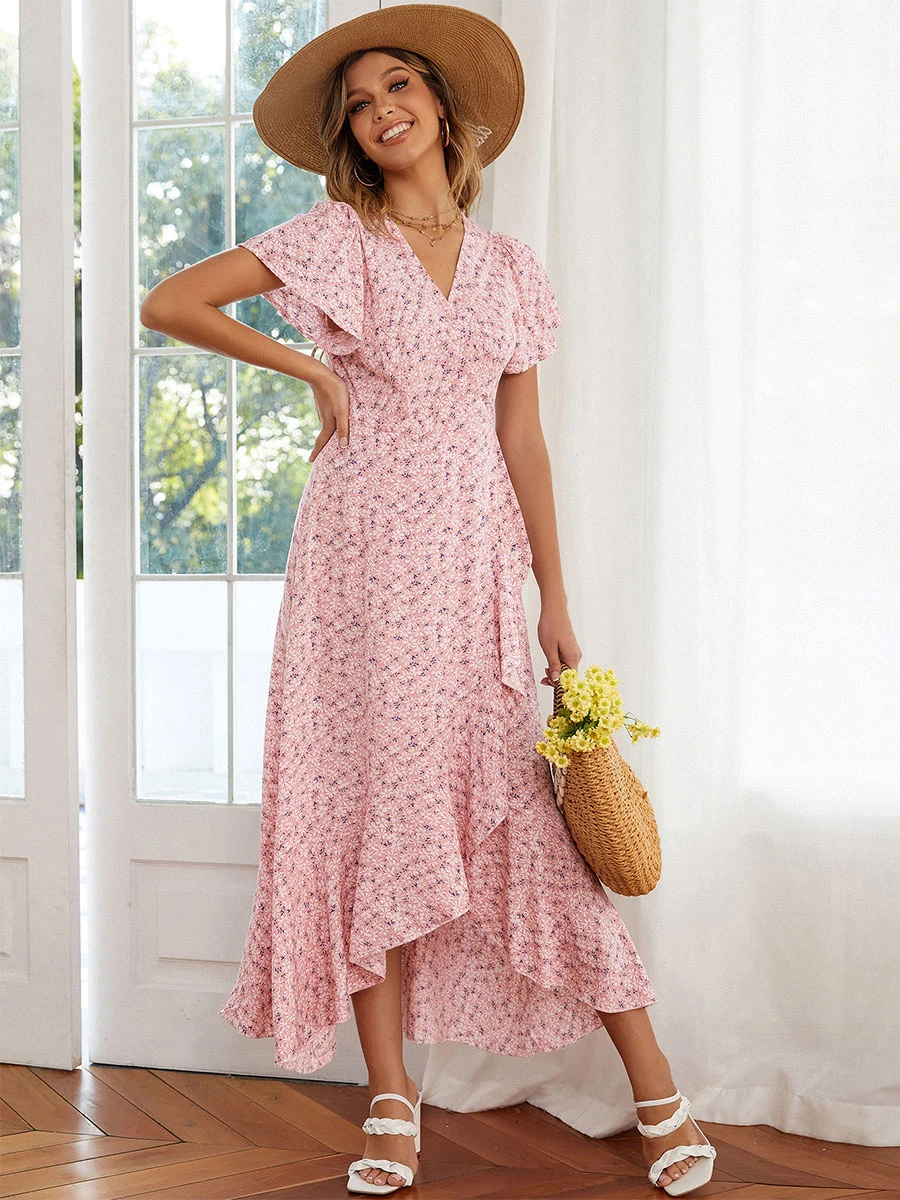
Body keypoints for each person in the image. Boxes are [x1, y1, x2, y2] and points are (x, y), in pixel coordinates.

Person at [140, 4, 716, 1195]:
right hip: (358, 568)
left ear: (445, 109)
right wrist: (309, 365)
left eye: (398, 85)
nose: (381, 110)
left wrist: (556, 598)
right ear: (352, 136)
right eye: (360, 102)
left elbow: (525, 440)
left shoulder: (511, 268)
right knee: (379, 817)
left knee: (528, 822)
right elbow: (173, 301)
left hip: (475, 567)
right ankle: (391, 1099)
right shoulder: (337, 240)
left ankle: (658, 1088)